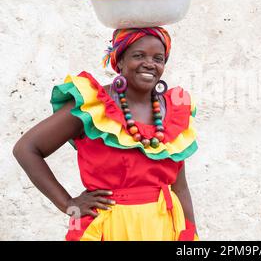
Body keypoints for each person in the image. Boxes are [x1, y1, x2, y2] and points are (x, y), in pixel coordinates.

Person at [13, 27, 199, 241]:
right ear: (119, 61)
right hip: (107, 228)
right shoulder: (94, 106)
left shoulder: (174, 112)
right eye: (138, 55)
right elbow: (26, 149)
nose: (150, 64)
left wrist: (192, 236)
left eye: (158, 58)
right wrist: (68, 204)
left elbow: (180, 186)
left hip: (164, 229)